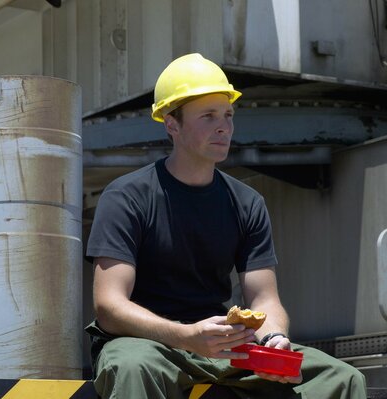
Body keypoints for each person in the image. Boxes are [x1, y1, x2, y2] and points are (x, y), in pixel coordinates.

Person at [85, 53, 367, 399]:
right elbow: (109, 306)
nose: (224, 127)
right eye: (208, 116)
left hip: (223, 345)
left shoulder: (246, 203)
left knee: (342, 377)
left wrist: (273, 337)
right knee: (129, 367)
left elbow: (265, 298)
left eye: (228, 115)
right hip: (146, 345)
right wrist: (185, 335)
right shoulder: (126, 197)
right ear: (171, 124)